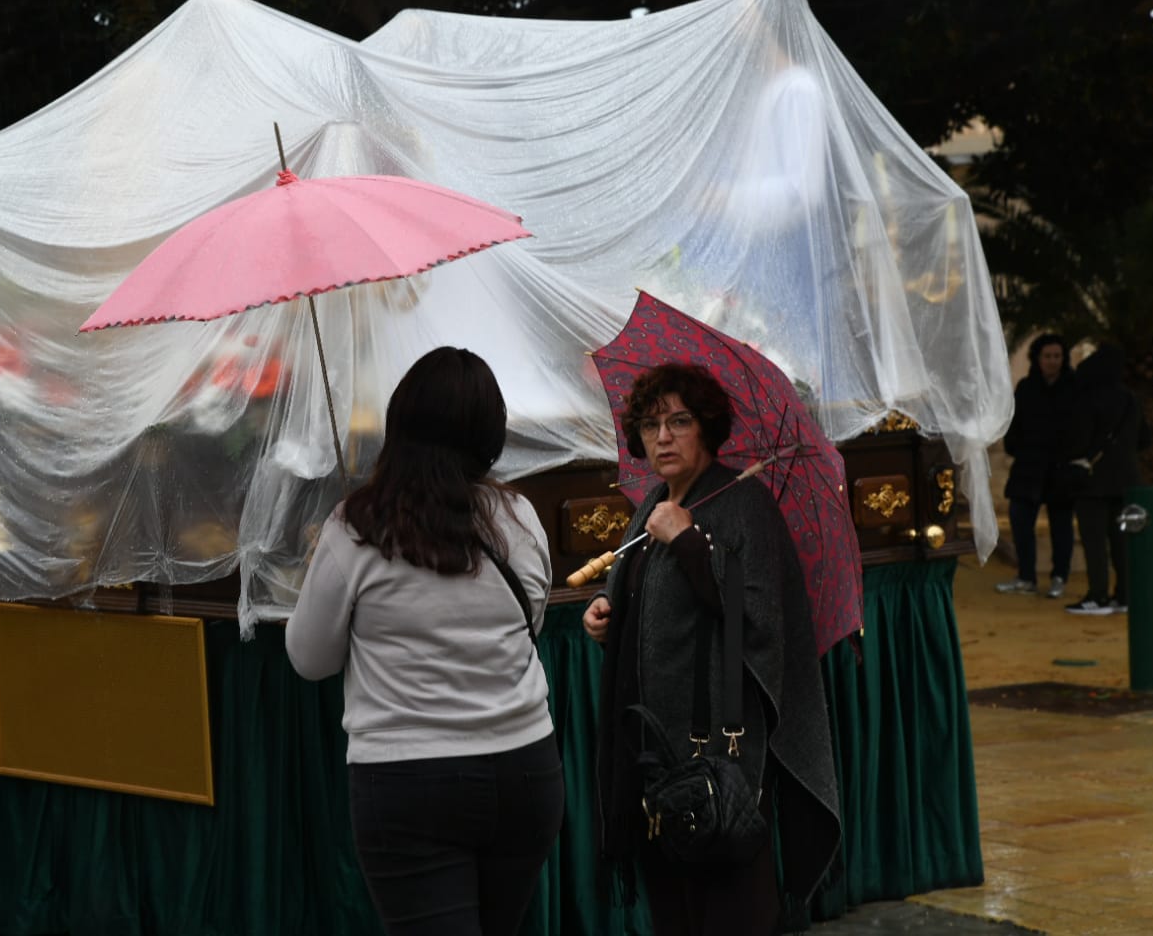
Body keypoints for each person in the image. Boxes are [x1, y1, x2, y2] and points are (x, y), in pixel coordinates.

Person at [286, 346, 563, 936]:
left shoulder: (355, 527)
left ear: (400, 424)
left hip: (408, 784)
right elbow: (529, 624)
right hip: (525, 771)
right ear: (491, 431)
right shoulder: (521, 518)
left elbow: (309, 660)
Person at [581, 363, 839, 935]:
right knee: (674, 909)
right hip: (653, 750)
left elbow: (758, 623)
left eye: (680, 421)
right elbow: (647, 605)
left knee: (728, 911)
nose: (663, 437)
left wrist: (692, 543)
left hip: (720, 756)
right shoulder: (651, 505)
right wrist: (608, 617)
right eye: (651, 425)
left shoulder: (744, 505)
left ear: (708, 428)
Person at [1064, 344, 1142, 615]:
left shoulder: (1088, 398)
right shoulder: (1130, 399)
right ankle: (1124, 594)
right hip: (1126, 481)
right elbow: (1144, 439)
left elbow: (1078, 441)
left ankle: (1098, 595)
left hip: (1092, 482)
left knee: (1095, 541)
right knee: (1122, 540)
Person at [996, 333, 1076, 598]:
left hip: (1060, 471)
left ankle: (1059, 577)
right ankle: (1026, 577)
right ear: (1037, 359)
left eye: (1057, 356)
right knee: (1020, 523)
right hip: (1028, 469)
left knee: (1061, 527)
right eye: (1047, 356)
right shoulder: (1026, 388)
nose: (1052, 361)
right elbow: (1014, 426)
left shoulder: (1073, 387)